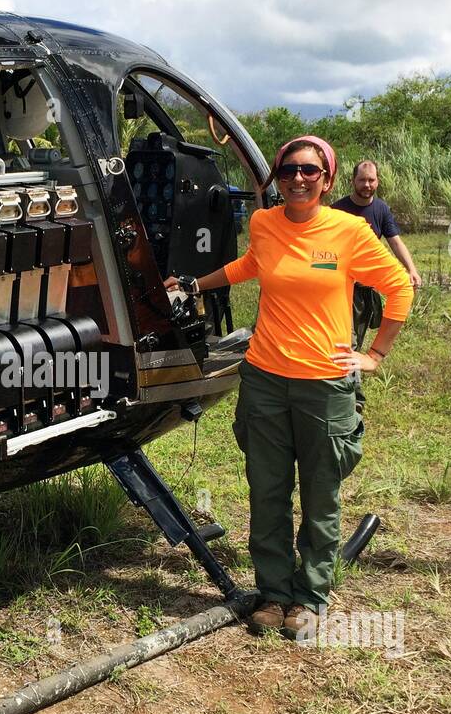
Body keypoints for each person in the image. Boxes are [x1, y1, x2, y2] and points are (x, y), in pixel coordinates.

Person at [167, 137, 413, 637]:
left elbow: (399, 287)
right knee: (268, 490)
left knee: (321, 495)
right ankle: (274, 592)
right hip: (264, 380)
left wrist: (375, 354)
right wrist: (195, 285)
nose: (297, 179)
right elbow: (251, 266)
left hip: (324, 386)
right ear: (277, 178)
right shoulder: (264, 224)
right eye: (287, 172)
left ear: (327, 178)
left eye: (308, 171)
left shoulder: (350, 231)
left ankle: (311, 595)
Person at [332, 160, 421, 355]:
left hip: (366, 289)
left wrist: (411, 269)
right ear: (352, 181)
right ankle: (343, 381)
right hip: (341, 287)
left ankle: (349, 376)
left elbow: (395, 242)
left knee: (357, 341)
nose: (367, 185)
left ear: (378, 181)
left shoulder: (381, 209)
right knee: (345, 341)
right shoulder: (337, 210)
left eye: (371, 180)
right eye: (362, 180)